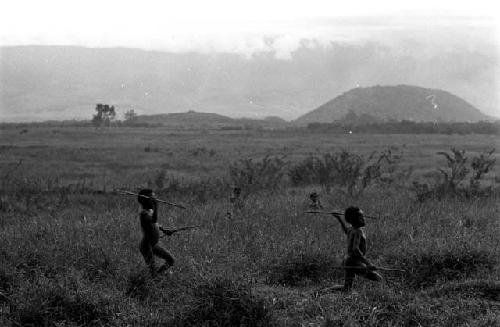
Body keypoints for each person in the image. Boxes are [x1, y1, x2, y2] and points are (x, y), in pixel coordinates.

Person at [332, 206, 382, 291]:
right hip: (354, 262)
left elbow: (345, 230)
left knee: (347, 288)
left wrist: (339, 218)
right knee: (379, 279)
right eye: (361, 217)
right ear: (354, 220)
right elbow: (355, 249)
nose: (364, 219)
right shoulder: (358, 231)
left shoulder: (351, 230)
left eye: (363, 216)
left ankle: (320, 292)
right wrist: (368, 263)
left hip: (348, 261)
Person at [137, 189, 175, 277]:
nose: (154, 200)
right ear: (143, 200)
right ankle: (155, 278)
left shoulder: (150, 211)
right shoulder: (143, 213)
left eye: (154, 198)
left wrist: (164, 230)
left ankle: (158, 276)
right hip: (146, 246)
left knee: (171, 260)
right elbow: (154, 220)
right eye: (151, 199)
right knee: (152, 268)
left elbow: (155, 223)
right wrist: (156, 205)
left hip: (153, 245)